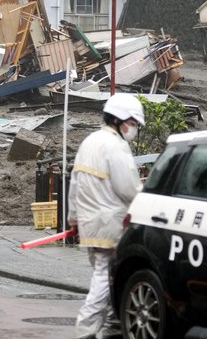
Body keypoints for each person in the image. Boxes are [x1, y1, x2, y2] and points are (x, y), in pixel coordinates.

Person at [67, 93, 145, 339]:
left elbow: (75, 183)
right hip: (110, 225)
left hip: (90, 225)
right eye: (131, 124)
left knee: (110, 277)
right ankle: (86, 329)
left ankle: (113, 326)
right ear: (119, 120)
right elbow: (128, 188)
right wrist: (147, 202)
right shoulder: (116, 146)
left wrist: (73, 217)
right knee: (104, 277)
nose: (132, 129)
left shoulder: (90, 141)